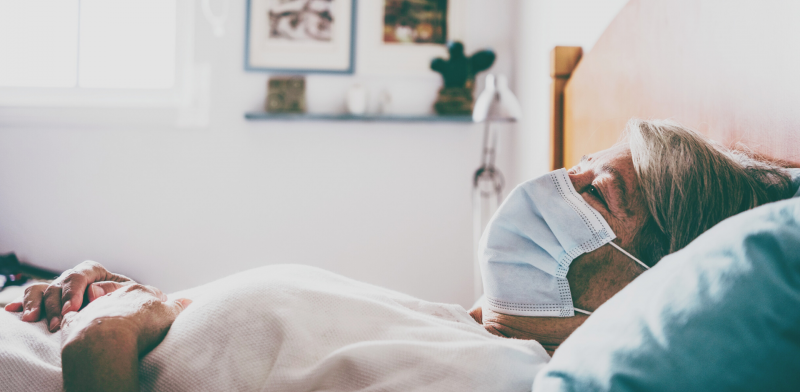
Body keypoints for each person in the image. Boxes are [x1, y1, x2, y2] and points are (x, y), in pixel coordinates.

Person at [5, 119, 796, 391]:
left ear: (642, 282)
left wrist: (106, 331)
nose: (563, 177)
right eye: (585, 161)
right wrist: (123, 293)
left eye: (601, 192)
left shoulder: (492, 378)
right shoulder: (461, 332)